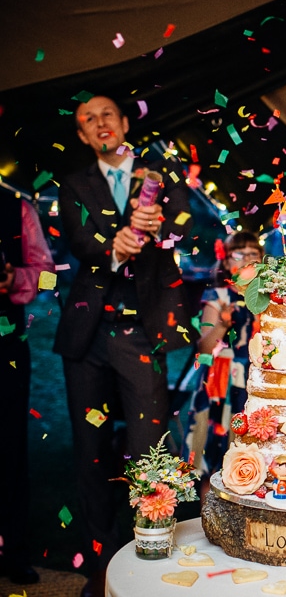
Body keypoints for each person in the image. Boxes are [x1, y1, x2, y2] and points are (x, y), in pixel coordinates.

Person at [56, 95, 195, 596]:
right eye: (88, 120)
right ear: (82, 135)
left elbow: (184, 227)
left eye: (107, 115)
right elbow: (78, 240)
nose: (100, 124)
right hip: (88, 333)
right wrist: (111, 247)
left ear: (123, 124)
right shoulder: (74, 184)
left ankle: (152, 554)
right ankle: (100, 562)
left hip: (142, 330)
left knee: (148, 449)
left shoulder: (159, 173)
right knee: (91, 451)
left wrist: (161, 231)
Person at [0, 193, 55, 586]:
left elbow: (47, 273)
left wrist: (15, 278)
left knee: (9, 448)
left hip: (5, 346)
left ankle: (13, 551)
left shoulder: (16, 208)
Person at [185, 231, 263, 480]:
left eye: (253, 254)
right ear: (227, 262)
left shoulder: (267, 298)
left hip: (254, 380)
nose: (247, 259)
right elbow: (204, 349)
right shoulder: (218, 296)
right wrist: (222, 324)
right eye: (239, 254)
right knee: (214, 454)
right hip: (222, 382)